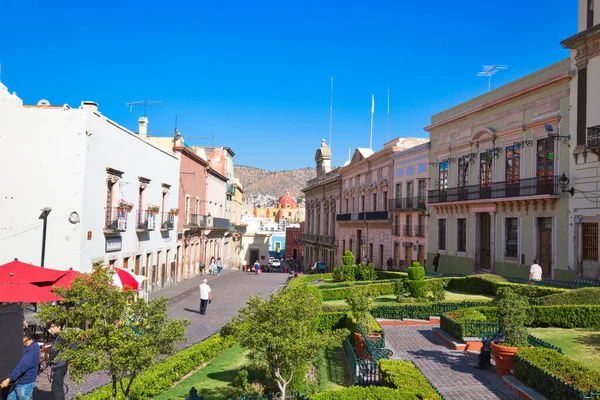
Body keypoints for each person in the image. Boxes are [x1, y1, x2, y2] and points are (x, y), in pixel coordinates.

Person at [1, 329, 40, 399]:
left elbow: (21, 367)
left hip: (25, 384)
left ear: (26, 338)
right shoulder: (32, 344)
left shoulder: (30, 352)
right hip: (17, 381)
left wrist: (8, 380)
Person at [47, 320, 69, 400]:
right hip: (57, 364)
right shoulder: (56, 336)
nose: (51, 329)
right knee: (56, 387)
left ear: (59, 327)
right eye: (50, 327)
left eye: (53, 327)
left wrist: (49, 361)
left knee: (57, 388)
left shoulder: (61, 337)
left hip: (60, 365)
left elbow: (56, 350)